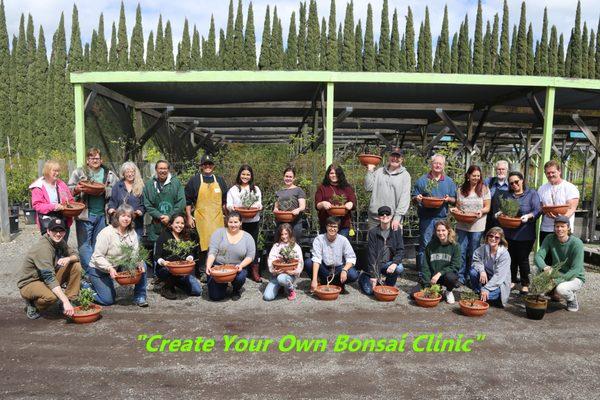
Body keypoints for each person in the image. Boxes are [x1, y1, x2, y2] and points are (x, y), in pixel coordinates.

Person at [17, 218, 81, 319]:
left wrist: (68, 258)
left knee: (75, 266)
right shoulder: (43, 248)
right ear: (48, 231)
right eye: (55, 231)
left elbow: (76, 255)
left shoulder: (59, 241)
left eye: (61, 231)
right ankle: (33, 305)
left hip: (45, 278)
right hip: (30, 282)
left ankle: (70, 300)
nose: (58, 234)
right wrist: (64, 300)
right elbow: (49, 277)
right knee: (51, 297)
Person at [68, 147, 118, 272]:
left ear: (101, 160)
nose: (94, 160)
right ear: (87, 160)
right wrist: (77, 189)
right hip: (84, 215)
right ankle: (89, 272)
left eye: (97, 158)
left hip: (102, 215)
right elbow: (68, 190)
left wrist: (103, 190)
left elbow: (116, 191)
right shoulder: (79, 173)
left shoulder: (109, 174)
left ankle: (96, 271)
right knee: (84, 245)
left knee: (98, 245)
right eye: (92, 158)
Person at [88, 204, 148, 307]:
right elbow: (97, 256)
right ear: (117, 216)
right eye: (123, 215)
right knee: (108, 300)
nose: (126, 219)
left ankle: (140, 296)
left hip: (118, 266)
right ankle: (86, 288)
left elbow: (134, 253)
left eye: (129, 216)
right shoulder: (106, 233)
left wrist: (139, 262)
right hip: (99, 270)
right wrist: (109, 268)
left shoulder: (132, 232)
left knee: (143, 265)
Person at [491, 171, 541, 293]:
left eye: (516, 182)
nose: (514, 185)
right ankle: (512, 280)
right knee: (511, 257)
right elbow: (502, 209)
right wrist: (499, 213)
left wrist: (529, 216)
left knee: (523, 258)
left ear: (522, 180)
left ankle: (525, 283)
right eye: (511, 183)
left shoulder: (531, 193)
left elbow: (538, 210)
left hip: (525, 233)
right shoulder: (508, 195)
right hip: (510, 232)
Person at [412, 154, 457, 272]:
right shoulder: (422, 180)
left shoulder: (449, 181)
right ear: (431, 164)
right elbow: (413, 198)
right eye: (435, 163)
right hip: (426, 218)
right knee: (425, 246)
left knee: (441, 246)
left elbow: (455, 200)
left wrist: (449, 199)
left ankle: (438, 273)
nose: (437, 165)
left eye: (440, 164)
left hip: (441, 218)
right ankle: (424, 274)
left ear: (444, 166)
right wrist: (417, 198)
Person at [185, 154, 228, 278]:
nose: (207, 166)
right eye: (205, 164)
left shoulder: (219, 180)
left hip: (217, 218)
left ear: (213, 166)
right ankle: (203, 271)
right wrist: (188, 217)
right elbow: (188, 201)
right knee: (202, 245)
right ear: (201, 166)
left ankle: (217, 268)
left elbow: (224, 201)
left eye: (210, 164)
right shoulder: (195, 180)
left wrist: (228, 217)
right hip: (201, 218)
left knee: (218, 244)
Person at [449, 165, 491, 285]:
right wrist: (455, 210)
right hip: (462, 224)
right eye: (474, 175)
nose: (476, 178)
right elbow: (458, 206)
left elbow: (487, 207)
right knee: (461, 251)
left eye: (478, 176)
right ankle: (460, 276)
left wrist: (481, 211)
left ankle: (471, 277)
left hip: (477, 225)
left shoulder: (484, 189)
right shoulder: (461, 189)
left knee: (474, 252)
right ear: (468, 176)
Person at [534, 215, 585, 312]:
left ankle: (571, 298)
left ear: (568, 228)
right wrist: (545, 267)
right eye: (557, 226)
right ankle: (553, 293)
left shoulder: (577, 243)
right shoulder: (550, 238)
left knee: (561, 289)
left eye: (563, 226)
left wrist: (554, 282)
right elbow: (538, 256)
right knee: (535, 272)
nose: (559, 229)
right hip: (556, 273)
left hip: (575, 277)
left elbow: (575, 271)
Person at [537, 160, 580, 266]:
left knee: (563, 259)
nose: (550, 175)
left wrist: (560, 221)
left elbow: (572, 208)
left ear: (559, 171)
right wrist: (544, 211)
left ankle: (563, 280)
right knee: (547, 259)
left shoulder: (570, 187)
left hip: (563, 229)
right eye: (548, 173)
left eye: (553, 172)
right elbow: (541, 206)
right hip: (546, 228)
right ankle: (546, 281)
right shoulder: (542, 189)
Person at [205, 211, 255, 301]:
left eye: (236, 222)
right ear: (227, 222)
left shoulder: (248, 237)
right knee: (215, 297)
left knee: (240, 277)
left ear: (240, 223)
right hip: (218, 266)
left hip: (237, 267)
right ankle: (223, 284)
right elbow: (212, 251)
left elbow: (250, 256)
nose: (233, 225)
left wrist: (241, 265)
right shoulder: (219, 233)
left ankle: (236, 290)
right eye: (230, 222)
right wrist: (208, 266)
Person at [226, 164, 263, 282]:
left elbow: (259, 204)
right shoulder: (233, 189)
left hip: (253, 221)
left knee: (253, 245)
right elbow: (228, 205)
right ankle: (241, 269)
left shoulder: (255, 189)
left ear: (251, 176)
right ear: (239, 175)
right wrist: (234, 208)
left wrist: (257, 207)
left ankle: (254, 270)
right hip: (238, 223)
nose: (245, 176)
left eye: (248, 174)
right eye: (243, 174)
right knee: (238, 245)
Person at [304, 216, 359, 293]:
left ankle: (339, 283)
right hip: (324, 268)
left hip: (338, 268)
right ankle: (318, 282)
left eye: (335, 227)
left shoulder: (343, 240)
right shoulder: (319, 239)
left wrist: (344, 270)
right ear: (326, 227)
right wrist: (314, 280)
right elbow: (316, 259)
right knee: (308, 262)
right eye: (330, 226)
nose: (332, 229)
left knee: (353, 274)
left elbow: (351, 258)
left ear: (338, 228)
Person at [358, 206, 405, 296]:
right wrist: (374, 275)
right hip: (376, 264)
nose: (384, 215)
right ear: (378, 217)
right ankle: (364, 276)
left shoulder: (396, 230)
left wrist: (394, 263)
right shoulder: (373, 232)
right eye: (382, 214)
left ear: (391, 216)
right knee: (370, 292)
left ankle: (387, 283)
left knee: (399, 268)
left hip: (388, 264)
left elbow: (401, 250)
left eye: (387, 214)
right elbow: (371, 254)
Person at [154, 214, 202, 300]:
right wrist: (163, 262)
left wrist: (190, 257)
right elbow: (156, 256)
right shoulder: (164, 236)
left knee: (197, 291)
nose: (180, 225)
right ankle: (167, 287)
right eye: (177, 223)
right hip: (166, 269)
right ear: (171, 224)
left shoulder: (186, 235)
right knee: (169, 272)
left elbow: (190, 252)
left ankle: (174, 283)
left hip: (182, 270)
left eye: (182, 223)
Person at [413, 220, 461, 304]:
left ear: (448, 230)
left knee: (451, 278)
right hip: (432, 278)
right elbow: (425, 266)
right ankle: (438, 290)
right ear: (435, 232)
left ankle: (448, 291)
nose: (441, 233)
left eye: (443, 230)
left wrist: (439, 274)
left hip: (445, 277)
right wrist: (427, 285)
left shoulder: (455, 246)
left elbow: (455, 266)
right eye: (438, 230)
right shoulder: (430, 245)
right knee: (413, 294)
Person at [364, 146, 411, 230]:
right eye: (393, 156)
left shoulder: (405, 176)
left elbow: (405, 198)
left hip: (393, 219)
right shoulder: (379, 171)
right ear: (389, 157)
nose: (395, 158)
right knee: (374, 243)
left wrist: (397, 218)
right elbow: (368, 187)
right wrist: (370, 170)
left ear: (402, 159)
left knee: (392, 243)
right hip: (375, 218)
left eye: (398, 156)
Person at [143, 160, 186, 243]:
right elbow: (147, 204)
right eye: (160, 168)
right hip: (156, 227)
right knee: (157, 252)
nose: (163, 171)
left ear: (168, 170)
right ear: (156, 169)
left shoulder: (176, 183)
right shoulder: (149, 185)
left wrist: (170, 216)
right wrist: (159, 216)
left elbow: (181, 202)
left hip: (174, 226)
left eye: (165, 168)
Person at [29, 160, 75, 239]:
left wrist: (70, 206)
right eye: (54, 171)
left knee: (63, 246)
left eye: (58, 171)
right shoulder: (38, 186)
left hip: (63, 221)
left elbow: (70, 199)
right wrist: (53, 206)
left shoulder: (61, 184)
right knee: (50, 248)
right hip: (48, 222)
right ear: (47, 171)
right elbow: (37, 205)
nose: (57, 173)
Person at [470, 227, 512, 307]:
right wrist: (482, 271)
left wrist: (486, 288)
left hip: (499, 283)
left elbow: (499, 276)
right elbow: (476, 260)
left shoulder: (504, 254)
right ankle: (478, 292)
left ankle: (481, 295)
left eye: (497, 237)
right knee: (473, 272)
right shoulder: (482, 249)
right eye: (491, 236)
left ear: (500, 239)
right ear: (487, 237)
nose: (493, 239)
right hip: (487, 278)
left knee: (489, 296)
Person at [263, 223, 303, 301]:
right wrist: (273, 270)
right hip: (277, 274)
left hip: (289, 275)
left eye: (286, 234)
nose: (284, 236)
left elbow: (300, 262)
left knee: (281, 278)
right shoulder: (276, 246)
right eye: (282, 234)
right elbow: (271, 259)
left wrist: (295, 271)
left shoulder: (295, 246)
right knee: (267, 297)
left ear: (290, 233)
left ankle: (290, 289)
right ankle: (281, 287)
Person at [315, 164, 356, 237]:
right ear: (328, 174)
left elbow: (353, 201)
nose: (334, 175)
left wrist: (350, 204)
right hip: (326, 225)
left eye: (337, 173)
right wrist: (322, 204)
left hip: (343, 225)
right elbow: (317, 205)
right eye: (332, 173)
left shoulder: (347, 187)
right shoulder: (322, 187)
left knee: (341, 247)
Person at [108, 161, 145, 239]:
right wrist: (111, 209)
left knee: (134, 248)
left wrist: (140, 211)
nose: (130, 174)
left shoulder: (141, 186)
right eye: (127, 172)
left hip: (136, 224)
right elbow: (112, 201)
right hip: (119, 224)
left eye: (132, 172)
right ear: (123, 174)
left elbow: (144, 204)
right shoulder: (117, 186)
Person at [274, 167, 306, 242]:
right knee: (280, 245)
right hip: (281, 223)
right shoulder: (279, 191)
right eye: (286, 176)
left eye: (290, 177)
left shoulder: (298, 190)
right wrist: (275, 209)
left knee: (293, 245)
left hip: (295, 223)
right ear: (283, 177)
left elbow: (302, 206)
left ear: (294, 178)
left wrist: (298, 209)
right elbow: (276, 206)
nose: (288, 178)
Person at [484, 160, 510, 231]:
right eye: (499, 169)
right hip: (489, 220)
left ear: (507, 170)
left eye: (503, 169)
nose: (501, 171)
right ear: (496, 170)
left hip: (505, 220)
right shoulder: (489, 182)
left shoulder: (511, 184)